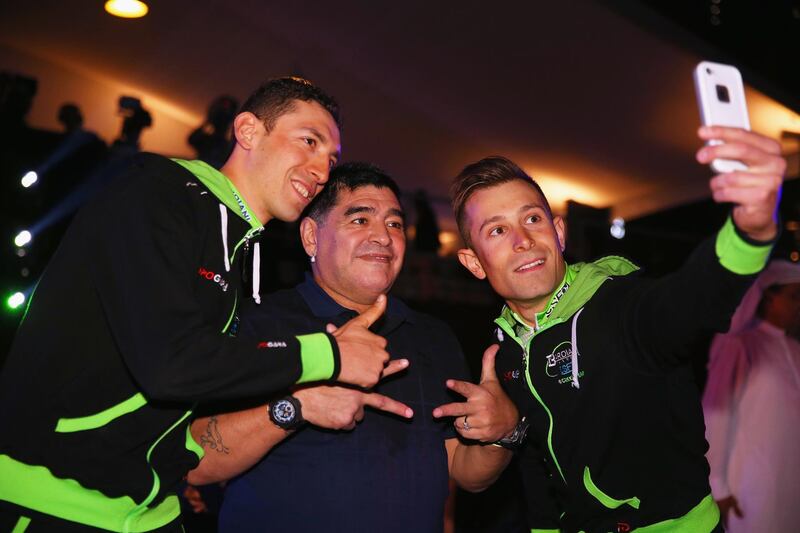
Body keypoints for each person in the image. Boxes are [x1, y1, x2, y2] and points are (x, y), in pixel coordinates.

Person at [0, 77, 395, 531]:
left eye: (331, 159)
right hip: (52, 504)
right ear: (247, 131)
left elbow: (194, 404)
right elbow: (171, 364)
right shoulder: (157, 195)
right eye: (309, 141)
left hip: (151, 514)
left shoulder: (242, 253)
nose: (322, 170)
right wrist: (329, 355)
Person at [446, 126, 785, 532]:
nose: (523, 240)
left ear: (558, 232)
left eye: (532, 218)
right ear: (473, 263)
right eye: (497, 230)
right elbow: (539, 475)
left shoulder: (617, 306)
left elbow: (688, 301)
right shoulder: (506, 350)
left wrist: (749, 234)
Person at [187, 162, 522, 532]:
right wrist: (297, 407)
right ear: (312, 237)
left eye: (394, 223)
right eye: (360, 220)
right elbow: (194, 460)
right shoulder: (258, 323)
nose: (383, 236)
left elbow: (462, 471)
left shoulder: (432, 336)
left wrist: (503, 433)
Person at [703, 259, 800, 532]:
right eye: (794, 296)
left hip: (792, 479)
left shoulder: (794, 348)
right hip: (752, 485)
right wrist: (717, 486)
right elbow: (716, 413)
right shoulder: (740, 344)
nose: (799, 305)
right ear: (769, 296)